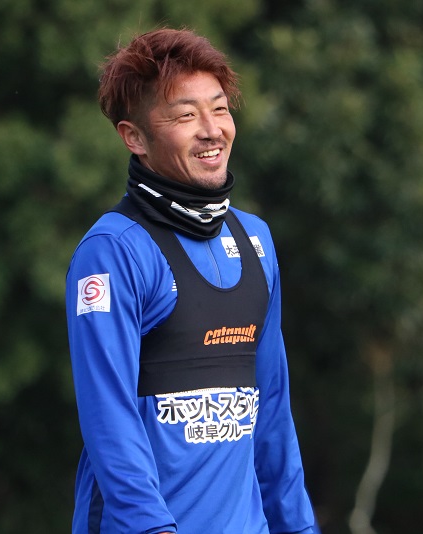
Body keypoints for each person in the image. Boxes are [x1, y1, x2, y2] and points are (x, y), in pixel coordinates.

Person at [66, 28, 317, 533]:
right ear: (134, 137)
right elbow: (108, 419)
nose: (212, 130)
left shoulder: (256, 240)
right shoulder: (112, 252)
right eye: (185, 116)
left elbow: (271, 411)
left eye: (220, 109)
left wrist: (298, 527)